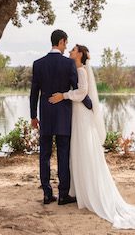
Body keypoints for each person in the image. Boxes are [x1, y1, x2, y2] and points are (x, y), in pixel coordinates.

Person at [49, 44, 135, 229]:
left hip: (82, 114)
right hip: (77, 113)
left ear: (80, 54)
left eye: (73, 50)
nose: (69, 52)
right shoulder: (76, 68)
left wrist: (64, 95)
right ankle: (80, 191)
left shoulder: (82, 70)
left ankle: (89, 192)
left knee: (84, 148)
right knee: (78, 150)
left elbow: (82, 92)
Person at [29, 30, 92, 205]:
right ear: (62, 41)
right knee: (63, 154)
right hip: (64, 116)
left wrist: (33, 116)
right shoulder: (68, 64)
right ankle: (63, 195)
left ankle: (47, 194)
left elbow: (34, 93)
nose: (66, 48)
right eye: (66, 43)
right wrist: (89, 103)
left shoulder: (38, 64)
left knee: (45, 155)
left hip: (46, 116)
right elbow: (75, 88)